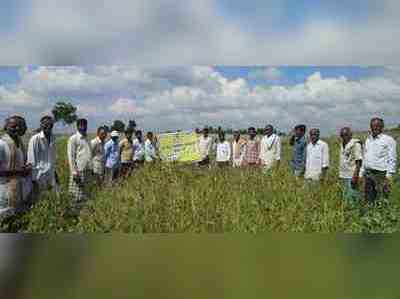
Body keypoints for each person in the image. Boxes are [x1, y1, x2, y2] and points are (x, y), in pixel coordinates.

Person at [0, 116, 31, 218]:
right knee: (5, 217)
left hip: (18, 188)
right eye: (13, 126)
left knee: (17, 217)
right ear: (6, 127)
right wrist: (19, 172)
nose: (17, 128)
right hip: (5, 188)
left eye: (20, 126)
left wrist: (26, 167)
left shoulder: (20, 143)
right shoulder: (1, 144)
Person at [362, 118, 397, 203]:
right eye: (373, 126)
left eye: (377, 126)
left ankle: (382, 214)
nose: (375, 128)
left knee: (382, 199)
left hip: (381, 174)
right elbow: (365, 156)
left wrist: (389, 176)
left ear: (382, 127)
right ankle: (369, 215)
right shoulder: (368, 140)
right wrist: (362, 172)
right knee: (368, 199)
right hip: (368, 173)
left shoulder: (388, 140)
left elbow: (392, 158)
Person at [27, 116, 59, 203]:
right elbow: (31, 160)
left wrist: (55, 173)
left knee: (53, 199)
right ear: (41, 125)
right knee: (39, 201)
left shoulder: (53, 138)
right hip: (39, 176)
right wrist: (34, 180)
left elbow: (53, 158)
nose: (48, 126)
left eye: (50, 124)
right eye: (45, 124)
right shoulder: (35, 139)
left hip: (51, 174)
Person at [67, 118, 93, 206]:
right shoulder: (73, 139)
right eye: (81, 125)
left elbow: (89, 154)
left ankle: (83, 212)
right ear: (77, 126)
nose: (83, 127)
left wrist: (91, 167)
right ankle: (74, 212)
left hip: (87, 169)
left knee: (85, 193)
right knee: (76, 194)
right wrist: (74, 172)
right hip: (78, 171)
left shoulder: (87, 138)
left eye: (85, 125)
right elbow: (71, 156)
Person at [339, 127, 363, 203]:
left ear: (351, 135)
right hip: (343, 175)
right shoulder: (342, 144)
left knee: (353, 197)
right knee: (345, 198)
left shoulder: (356, 144)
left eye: (346, 135)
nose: (344, 137)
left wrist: (355, 176)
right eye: (342, 135)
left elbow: (359, 161)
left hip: (351, 175)